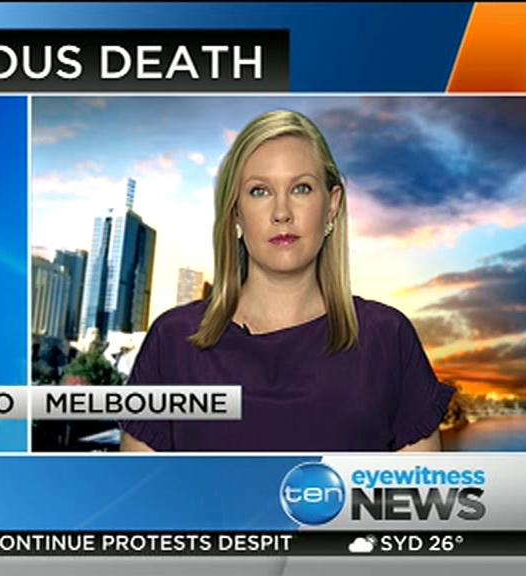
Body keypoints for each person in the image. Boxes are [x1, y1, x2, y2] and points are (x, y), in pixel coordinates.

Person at [120, 110, 453, 452]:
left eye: (301, 188)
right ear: (235, 212)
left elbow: (420, 485)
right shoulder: (173, 341)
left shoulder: (388, 338)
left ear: (332, 206)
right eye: (259, 191)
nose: (282, 213)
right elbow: (137, 487)